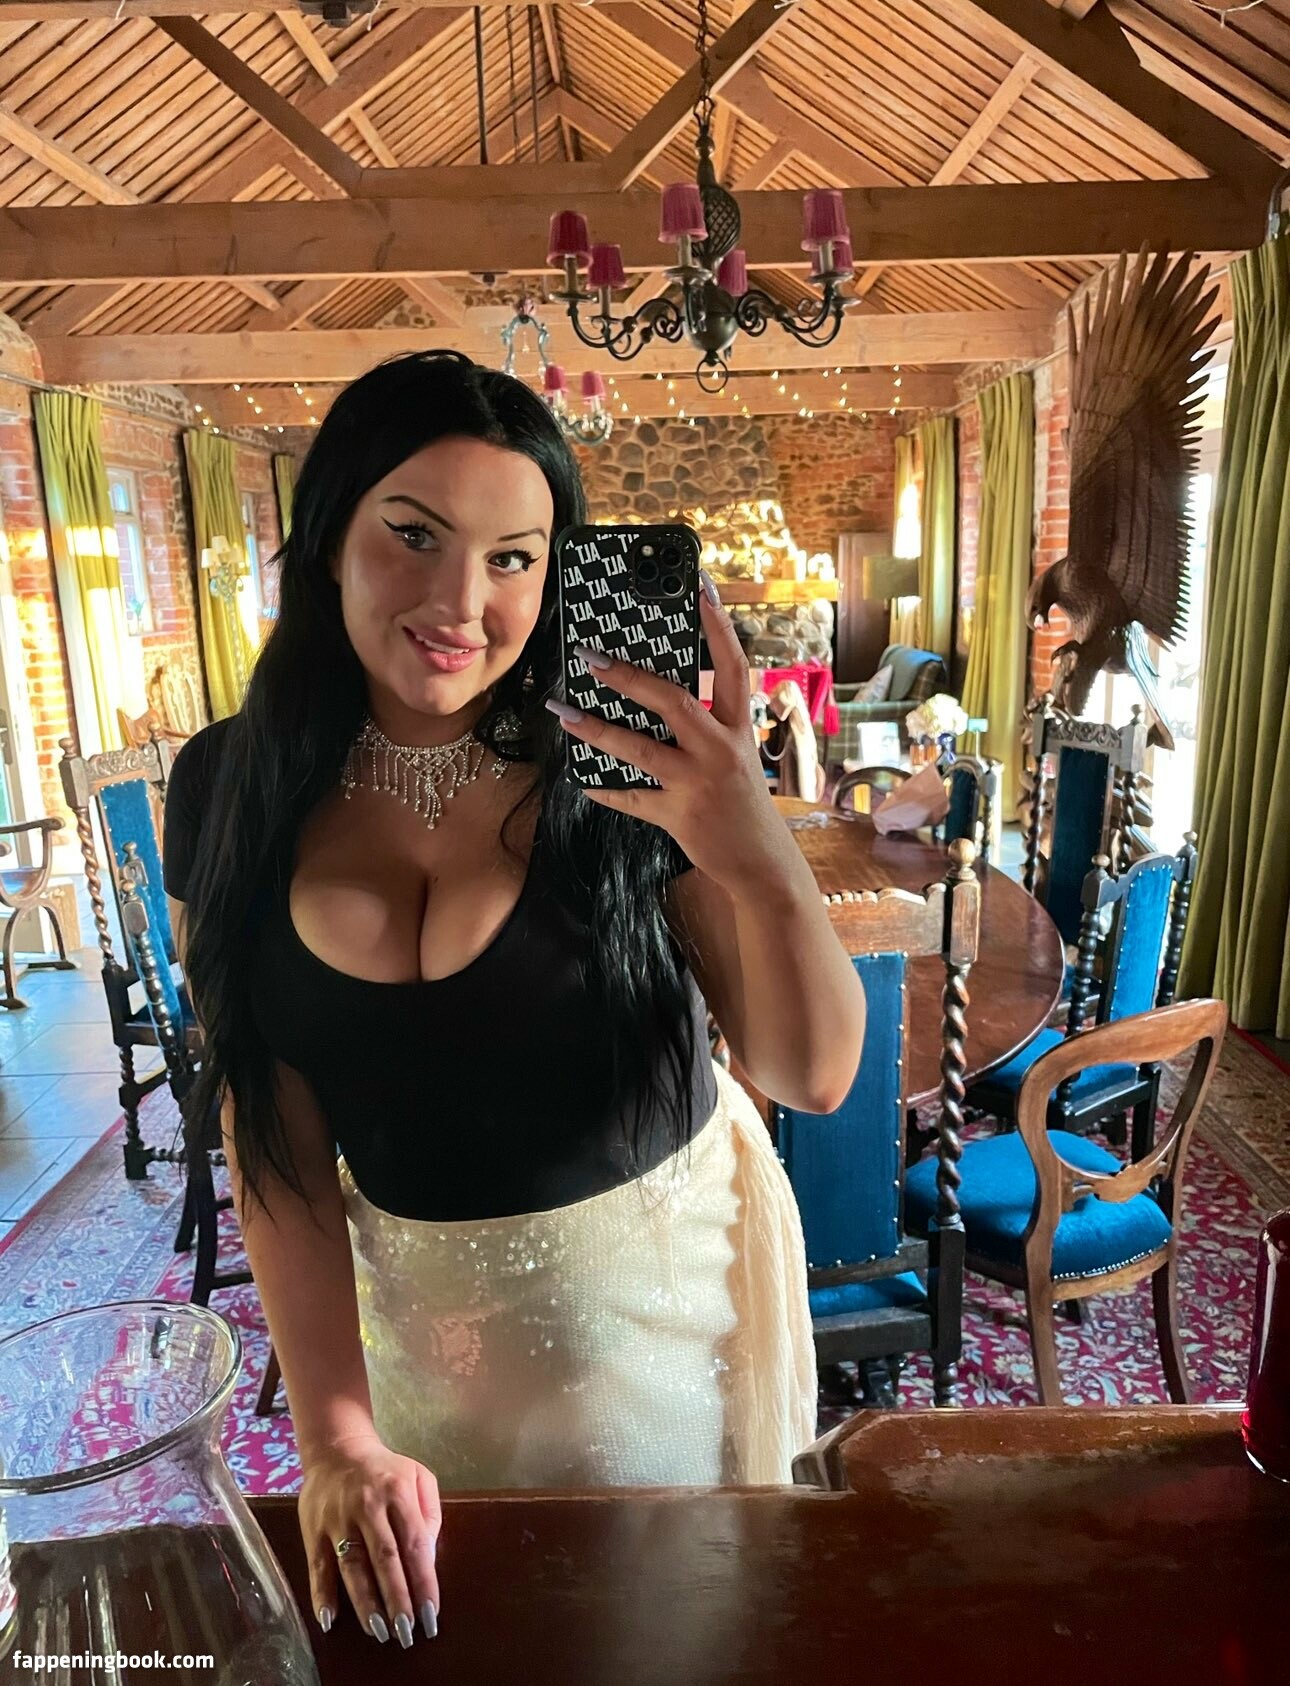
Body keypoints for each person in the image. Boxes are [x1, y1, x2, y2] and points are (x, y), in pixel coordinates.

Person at [163, 351, 865, 1654]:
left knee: (676, 1639)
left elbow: (810, 1072)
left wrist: (757, 848)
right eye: (413, 534)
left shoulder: (624, 761)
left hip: (664, 1335)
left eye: (512, 558)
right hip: (426, 1356)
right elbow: (277, 1135)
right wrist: (337, 1435)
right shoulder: (227, 786)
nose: (459, 602)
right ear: (329, 534)